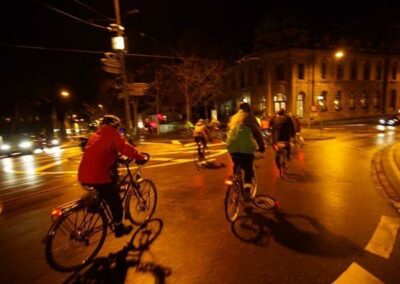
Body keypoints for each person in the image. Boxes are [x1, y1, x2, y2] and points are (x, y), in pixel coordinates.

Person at [78, 114, 145, 238]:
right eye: (118, 127)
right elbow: (125, 148)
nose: (118, 129)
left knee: (107, 190)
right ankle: (119, 227)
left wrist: (116, 157)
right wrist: (141, 157)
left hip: (83, 175)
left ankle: (94, 205)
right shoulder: (112, 134)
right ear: (115, 125)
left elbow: (102, 151)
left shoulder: (94, 135)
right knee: (116, 203)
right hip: (98, 176)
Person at [226, 102, 265, 194]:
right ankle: (247, 190)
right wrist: (262, 146)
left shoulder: (234, 118)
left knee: (236, 164)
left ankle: (236, 183)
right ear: (249, 109)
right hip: (246, 148)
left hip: (232, 147)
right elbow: (257, 133)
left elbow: (230, 133)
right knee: (248, 168)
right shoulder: (249, 118)